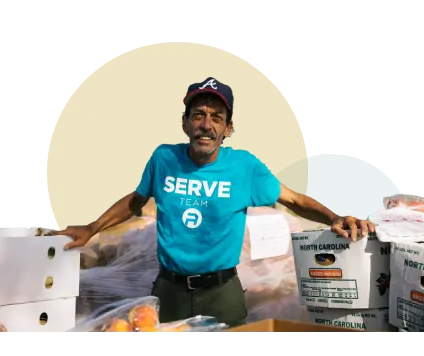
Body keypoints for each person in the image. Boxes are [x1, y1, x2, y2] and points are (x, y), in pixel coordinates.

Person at [51, 77, 376, 328]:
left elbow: (294, 199)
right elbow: (137, 200)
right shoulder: (163, 158)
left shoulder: (245, 167)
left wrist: (333, 215)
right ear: (185, 122)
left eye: (217, 118)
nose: (206, 125)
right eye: (199, 115)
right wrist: (92, 227)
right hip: (169, 290)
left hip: (223, 293)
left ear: (227, 129)